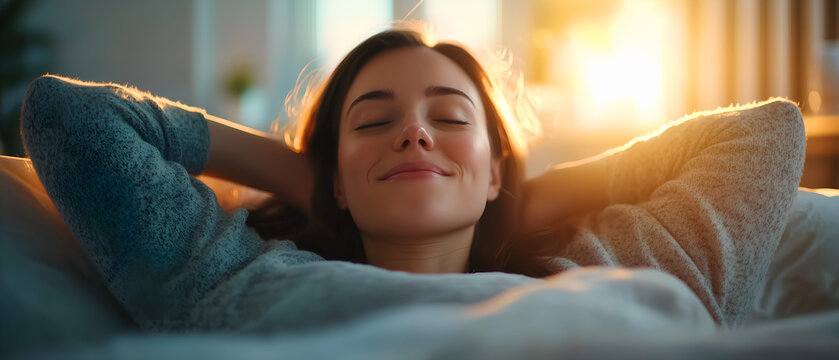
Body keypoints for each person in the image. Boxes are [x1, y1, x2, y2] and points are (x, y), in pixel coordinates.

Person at [20, 28, 805, 331]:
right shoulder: (230, 277)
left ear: (495, 168)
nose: (414, 130)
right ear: (334, 179)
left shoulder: (607, 265)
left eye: (450, 118)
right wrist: (298, 176)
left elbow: (764, 133)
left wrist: (530, 190)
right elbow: (70, 120)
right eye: (372, 120)